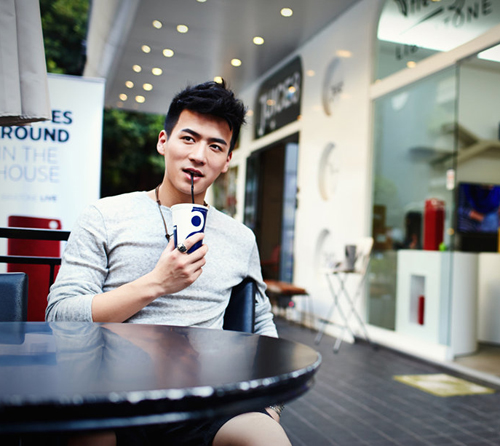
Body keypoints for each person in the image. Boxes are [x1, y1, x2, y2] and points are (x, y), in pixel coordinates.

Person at [46, 80, 291, 446]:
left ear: (227, 161)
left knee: (267, 438)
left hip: (207, 401)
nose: (199, 156)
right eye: (188, 138)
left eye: (215, 146)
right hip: (109, 394)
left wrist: (271, 405)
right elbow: (60, 315)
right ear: (164, 141)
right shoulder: (105, 216)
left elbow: (261, 323)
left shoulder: (240, 238)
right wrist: (157, 283)